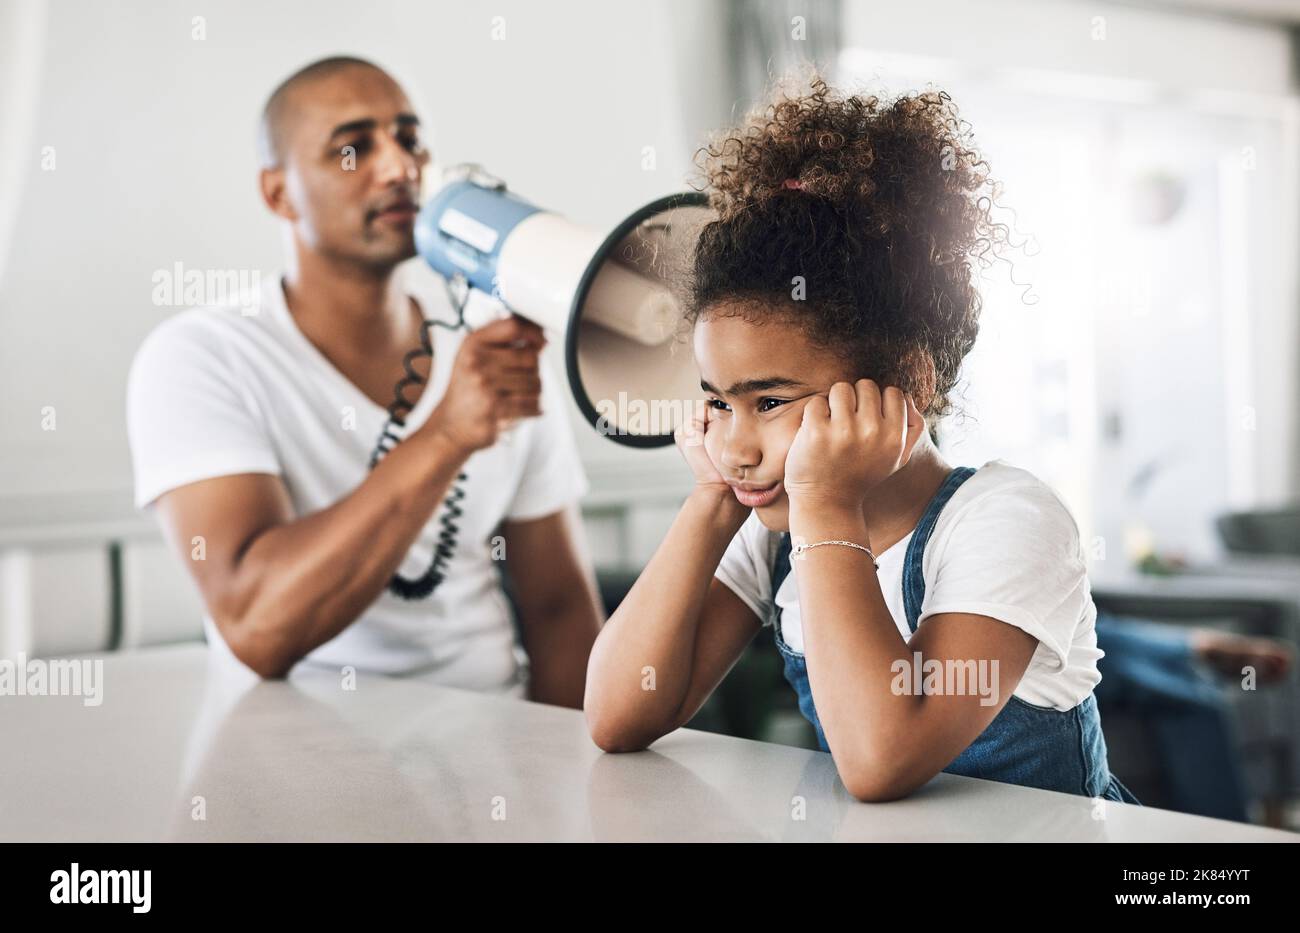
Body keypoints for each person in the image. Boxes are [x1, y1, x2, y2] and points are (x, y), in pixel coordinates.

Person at [584, 77, 1139, 802]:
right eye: (718, 401)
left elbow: (880, 759)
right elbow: (619, 712)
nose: (736, 444)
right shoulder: (771, 525)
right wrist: (710, 500)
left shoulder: (1005, 520)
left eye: (771, 400)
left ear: (904, 379)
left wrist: (824, 504)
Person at [127, 56, 602, 706]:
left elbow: (559, 610)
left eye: (409, 140)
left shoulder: (497, 345)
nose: (397, 167)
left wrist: (565, 780)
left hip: (498, 738)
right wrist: (446, 436)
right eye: (353, 149)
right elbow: (255, 624)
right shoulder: (201, 357)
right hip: (293, 757)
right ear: (278, 193)